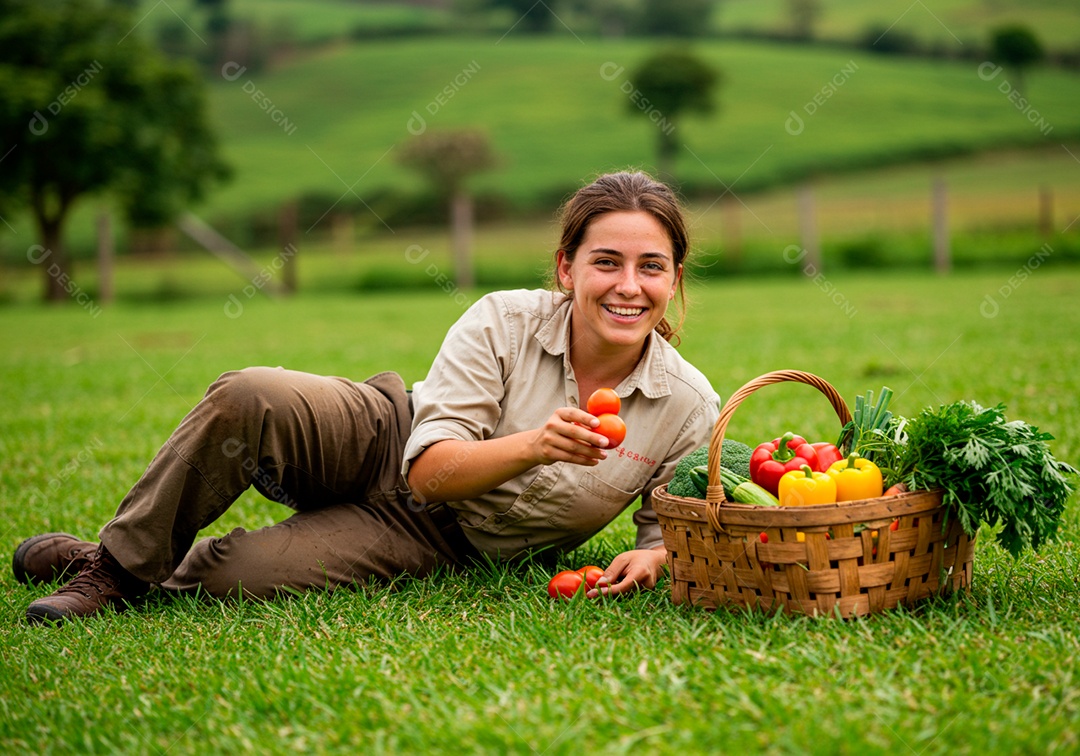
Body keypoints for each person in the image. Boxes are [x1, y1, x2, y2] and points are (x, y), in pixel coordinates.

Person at [13, 170, 720, 625]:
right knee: (250, 394)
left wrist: (654, 557)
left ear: (675, 279)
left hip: (440, 541)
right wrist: (538, 443)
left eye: (650, 267)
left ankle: (97, 559)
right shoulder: (505, 320)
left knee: (234, 578)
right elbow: (428, 469)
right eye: (606, 262)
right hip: (389, 434)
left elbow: (671, 526)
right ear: (568, 269)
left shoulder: (686, 406)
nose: (628, 286)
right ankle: (112, 571)